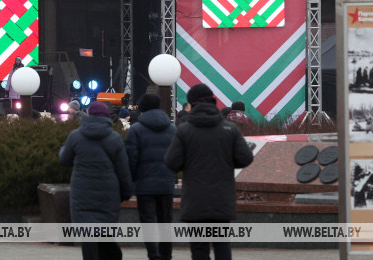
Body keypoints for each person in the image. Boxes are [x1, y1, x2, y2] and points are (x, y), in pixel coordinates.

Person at [165, 83, 254, 260]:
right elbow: (245, 159)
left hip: (195, 200)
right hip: (221, 200)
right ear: (212, 101)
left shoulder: (184, 130)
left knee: (199, 250)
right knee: (222, 246)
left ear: (191, 105)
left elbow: (171, 162)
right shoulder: (230, 129)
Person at [60, 101, 133, 260]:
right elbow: (123, 170)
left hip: (82, 195)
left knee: (89, 239)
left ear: (89, 115)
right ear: (107, 117)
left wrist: (62, 149)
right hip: (108, 195)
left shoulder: (75, 136)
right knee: (105, 235)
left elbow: (65, 160)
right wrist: (127, 192)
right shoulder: (114, 138)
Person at [125, 94, 177, 260]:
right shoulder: (172, 130)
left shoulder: (136, 130)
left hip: (144, 185)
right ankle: (166, 255)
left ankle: (153, 255)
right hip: (166, 184)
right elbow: (177, 156)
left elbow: (131, 158)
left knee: (148, 222)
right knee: (165, 222)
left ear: (142, 108)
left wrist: (132, 180)